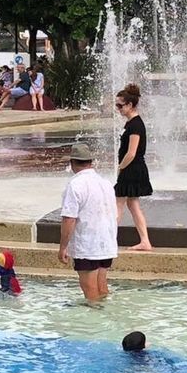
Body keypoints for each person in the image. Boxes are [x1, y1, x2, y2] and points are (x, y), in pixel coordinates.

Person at [58, 142, 118, 302]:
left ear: (72, 163)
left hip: (87, 244)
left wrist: (63, 246)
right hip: (106, 242)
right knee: (102, 286)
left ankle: (95, 322)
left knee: (89, 289)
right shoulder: (106, 183)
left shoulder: (75, 184)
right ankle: (105, 314)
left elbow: (69, 218)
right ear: (90, 162)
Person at [115, 83, 154, 252]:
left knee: (117, 205)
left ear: (130, 105)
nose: (118, 109)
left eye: (120, 105)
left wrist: (120, 167)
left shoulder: (135, 125)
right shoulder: (132, 123)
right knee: (133, 205)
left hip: (131, 168)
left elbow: (131, 153)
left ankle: (107, 240)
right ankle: (145, 240)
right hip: (134, 168)